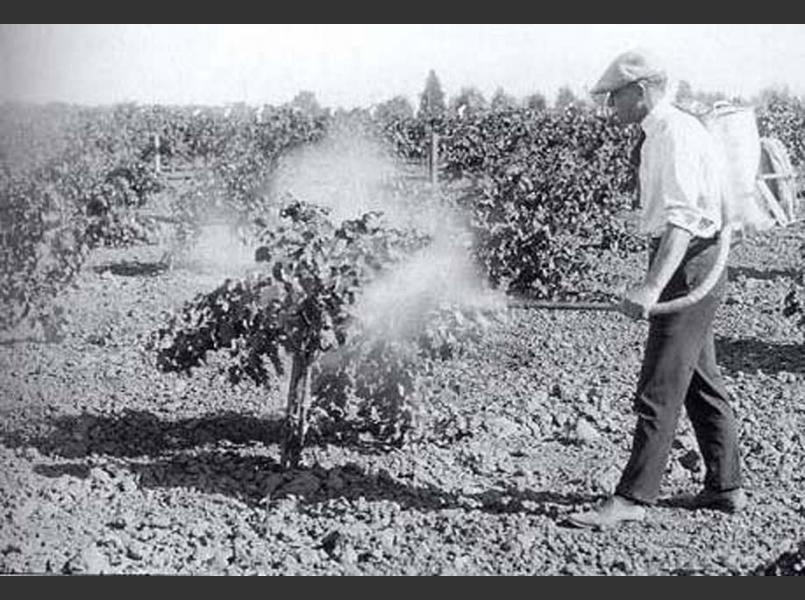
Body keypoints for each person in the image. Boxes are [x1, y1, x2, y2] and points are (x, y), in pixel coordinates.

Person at [567, 49, 746, 530]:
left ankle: (632, 498)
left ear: (642, 89)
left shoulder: (672, 134)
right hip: (691, 262)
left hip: (690, 264)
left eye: (615, 97)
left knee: (658, 388)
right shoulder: (664, 131)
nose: (610, 108)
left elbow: (683, 220)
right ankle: (725, 486)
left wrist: (650, 287)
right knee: (698, 380)